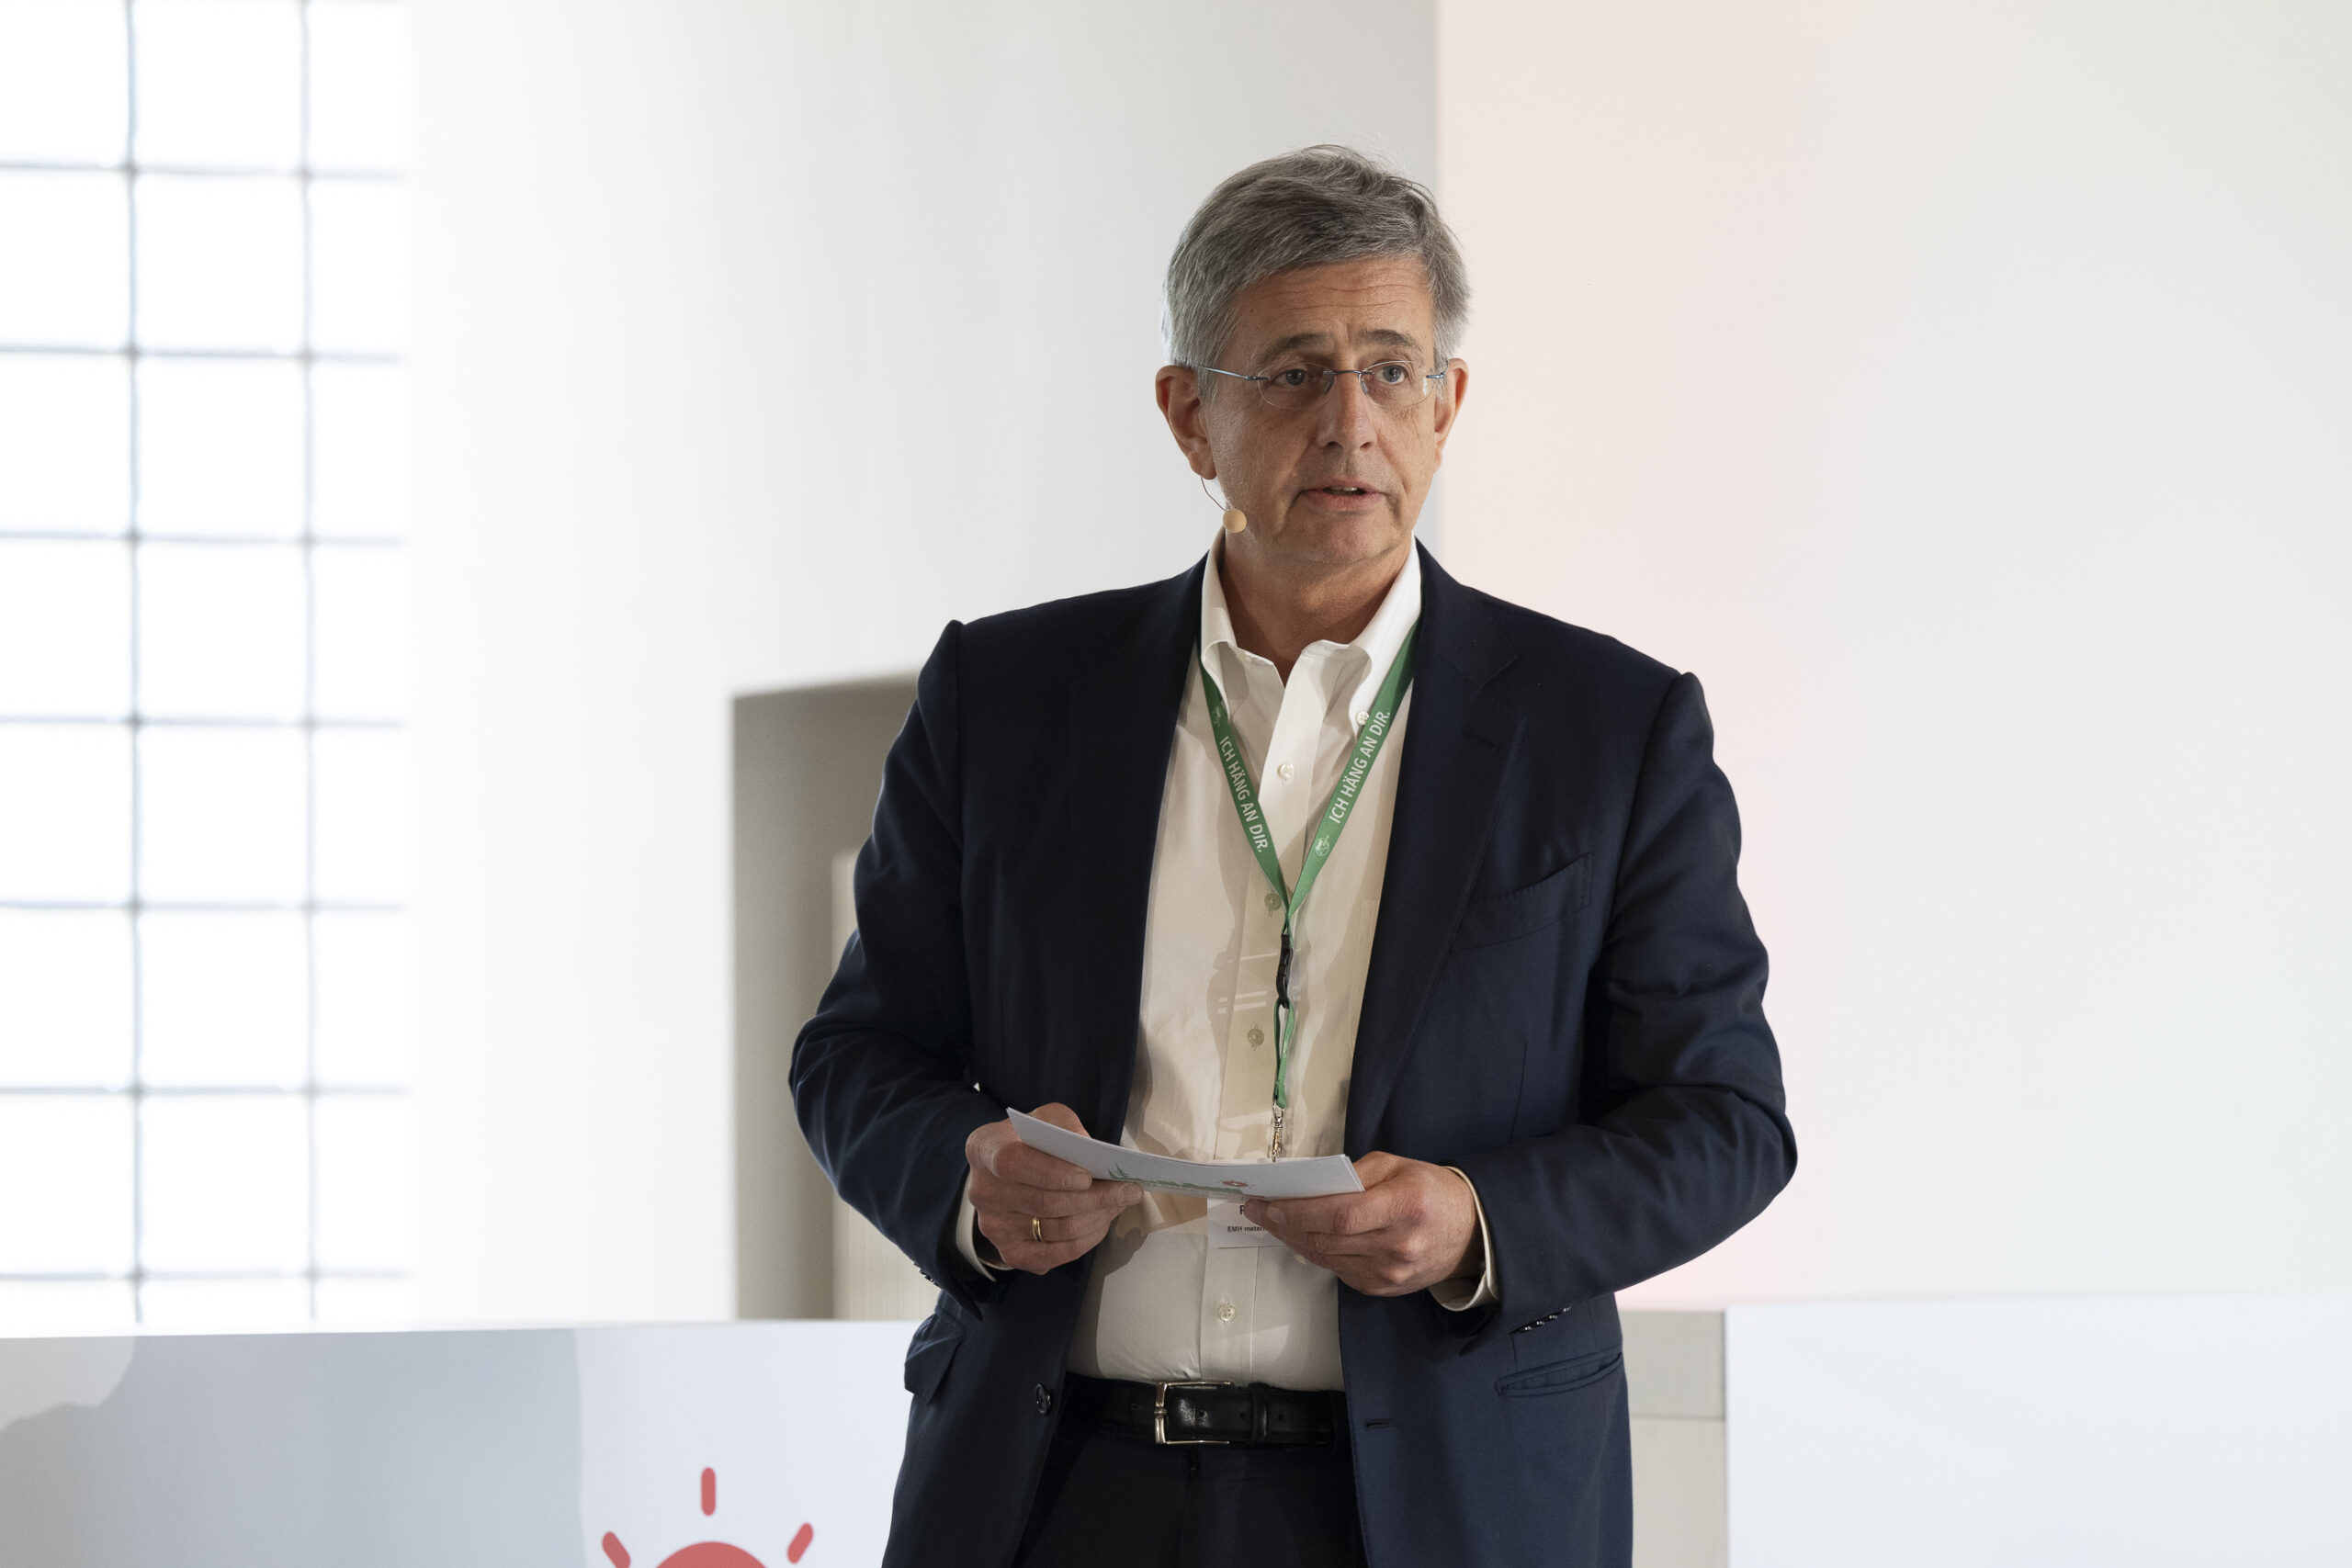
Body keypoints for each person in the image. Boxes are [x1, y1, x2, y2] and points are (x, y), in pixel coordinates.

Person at [792, 145, 1794, 1568]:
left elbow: (1724, 1120)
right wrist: (968, 1182)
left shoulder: (1610, 729)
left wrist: (1480, 1220)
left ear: (1449, 404)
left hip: (1444, 1504)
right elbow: (856, 1053)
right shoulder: (1006, 699)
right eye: (1293, 373)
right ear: (1187, 415)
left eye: (1391, 369)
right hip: (1055, 1492)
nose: (1350, 422)